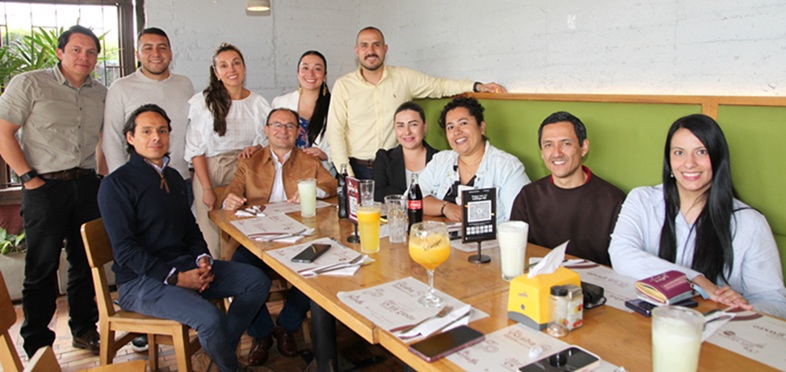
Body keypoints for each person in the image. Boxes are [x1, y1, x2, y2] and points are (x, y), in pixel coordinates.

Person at [98, 104, 268, 372]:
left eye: (162, 131)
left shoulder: (175, 178)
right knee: (209, 318)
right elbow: (125, 251)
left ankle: (215, 353)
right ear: (130, 138)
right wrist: (176, 277)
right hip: (141, 281)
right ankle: (230, 367)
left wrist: (202, 259)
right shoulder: (116, 184)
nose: (156, 137)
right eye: (147, 131)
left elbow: (190, 229)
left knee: (257, 281)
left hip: (185, 266)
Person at [609, 114, 786, 318]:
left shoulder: (749, 223)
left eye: (701, 152)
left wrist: (742, 308)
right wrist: (698, 281)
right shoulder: (642, 200)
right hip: (646, 323)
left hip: (715, 332)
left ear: (718, 158)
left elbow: (775, 302)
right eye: (679, 152)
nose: (689, 163)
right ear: (669, 160)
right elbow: (621, 254)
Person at [0, 25, 104, 357]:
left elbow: (105, 139)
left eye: (90, 52)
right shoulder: (30, 84)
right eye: (76, 50)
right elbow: (3, 132)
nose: (83, 57)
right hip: (43, 186)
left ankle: (84, 328)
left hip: (87, 185)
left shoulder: (101, 92)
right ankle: (36, 341)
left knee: (85, 262)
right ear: (60, 52)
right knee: (41, 266)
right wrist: (28, 178)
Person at [222, 108, 337, 366]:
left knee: (320, 267)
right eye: (277, 125)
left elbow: (331, 186)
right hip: (257, 240)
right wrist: (231, 198)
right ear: (266, 130)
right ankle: (262, 333)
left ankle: (287, 325)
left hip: (300, 238)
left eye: (289, 126)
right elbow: (232, 191)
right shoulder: (249, 161)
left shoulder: (309, 161)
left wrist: (313, 191)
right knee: (240, 271)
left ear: (297, 132)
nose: (283, 131)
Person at [327, 26, 506, 179]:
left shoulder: (404, 77)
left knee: (395, 216)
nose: (371, 50)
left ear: (385, 49)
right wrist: (346, 175)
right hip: (356, 168)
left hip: (394, 166)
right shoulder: (344, 85)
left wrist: (476, 86)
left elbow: (439, 86)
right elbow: (335, 131)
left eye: (376, 44)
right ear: (357, 51)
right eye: (364, 45)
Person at [185, 42, 271, 258]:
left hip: (246, 173)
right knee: (210, 235)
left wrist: (257, 148)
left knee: (244, 234)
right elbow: (196, 150)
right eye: (224, 66)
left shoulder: (258, 103)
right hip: (212, 170)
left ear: (244, 67)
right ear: (216, 73)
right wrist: (206, 188)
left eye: (236, 63)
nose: (231, 70)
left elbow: (270, 140)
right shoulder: (203, 102)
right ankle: (214, 283)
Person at [510, 112, 625, 265]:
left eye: (566, 143)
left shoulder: (613, 200)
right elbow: (516, 252)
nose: (557, 153)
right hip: (538, 283)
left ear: (584, 147)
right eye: (548, 145)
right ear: (542, 153)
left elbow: (621, 262)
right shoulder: (528, 196)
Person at [103, 27, 195, 202]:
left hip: (180, 179)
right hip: (138, 183)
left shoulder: (184, 84)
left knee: (182, 228)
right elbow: (112, 139)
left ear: (170, 53)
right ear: (138, 55)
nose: (156, 53)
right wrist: (121, 182)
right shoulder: (121, 88)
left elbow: (193, 132)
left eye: (162, 47)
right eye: (148, 48)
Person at [419, 97, 529, 223]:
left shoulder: (507, 166)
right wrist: (445, 207)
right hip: (440, 239)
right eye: (450, 127)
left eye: (463, 123)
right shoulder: (440, 160)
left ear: (481, 127)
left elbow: (519, 221)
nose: (457, 132)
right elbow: (413, 199)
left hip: (492, 241)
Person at [271, 50, 335, 175]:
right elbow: (268, 137)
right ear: (298, 73)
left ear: (325, 75)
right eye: (305, 68)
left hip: (320, 173)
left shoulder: (335, 106)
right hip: (283, 173)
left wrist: (325, 154)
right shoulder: (280, 102)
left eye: (317, 69)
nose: (310, 74)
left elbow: (345, 141)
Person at [373, 101, 438, 202]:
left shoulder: (440, 158)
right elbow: (378, 194)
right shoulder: (384, 158)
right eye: (400, 126)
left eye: (413, 124)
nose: (407, 131)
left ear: (425, 126)